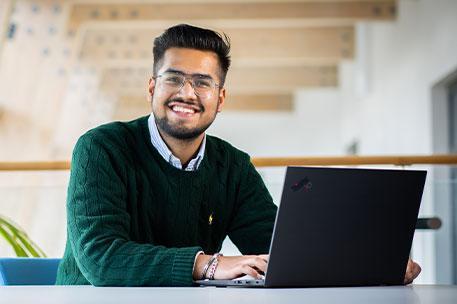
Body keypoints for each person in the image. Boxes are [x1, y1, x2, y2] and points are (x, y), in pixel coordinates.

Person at [55, 24, 421, 286]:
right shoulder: (101, 148)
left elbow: (281, 246)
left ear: (220, 98)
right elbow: (101, 259)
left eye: (202, 82)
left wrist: (369, 263)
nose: (187, 93)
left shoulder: (232, 167)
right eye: (173, 78)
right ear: (152, 87)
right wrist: (210, 265)